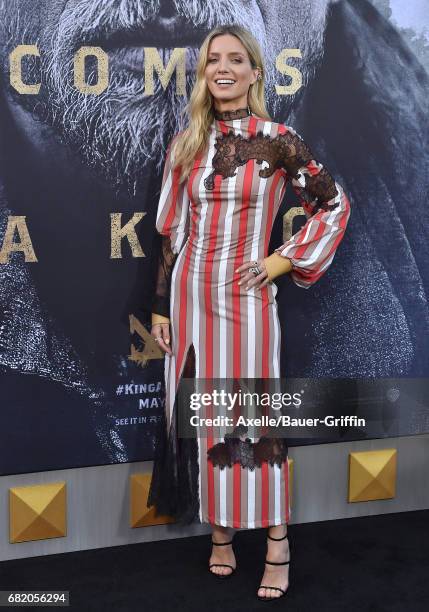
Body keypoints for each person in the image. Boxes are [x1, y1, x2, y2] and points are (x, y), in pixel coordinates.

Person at [146, 24, 351, 601]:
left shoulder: (280, 139)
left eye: (236, 59)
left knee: (251, 415)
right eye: (214, 60)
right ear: (205, 74)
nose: (223, 68)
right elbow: (171, 232)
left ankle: (278, 541)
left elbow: (333, 204)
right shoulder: (188, 143)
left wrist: (282, 262)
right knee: (204, 418)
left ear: (256, 73)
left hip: (247, 297)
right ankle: (221, 535)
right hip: (190, 296)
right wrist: (159, 307)